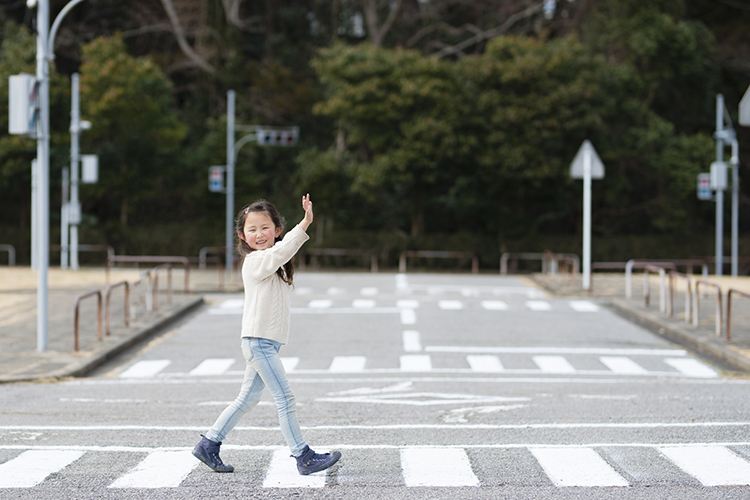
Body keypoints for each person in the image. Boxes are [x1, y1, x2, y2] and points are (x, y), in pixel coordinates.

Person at [192, 194, 341, 476]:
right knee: (285, 399)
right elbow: (281, 252)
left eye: (265, 227)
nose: (259, 234)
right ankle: (303, 456)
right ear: (242, 236)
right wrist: (306, 223)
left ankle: (209, 443)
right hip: (258, 344)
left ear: (276, 230)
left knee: (246, 400)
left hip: (264, 343)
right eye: (252, 229)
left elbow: (281, 253)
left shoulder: (273, 263)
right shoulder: (256, 261)